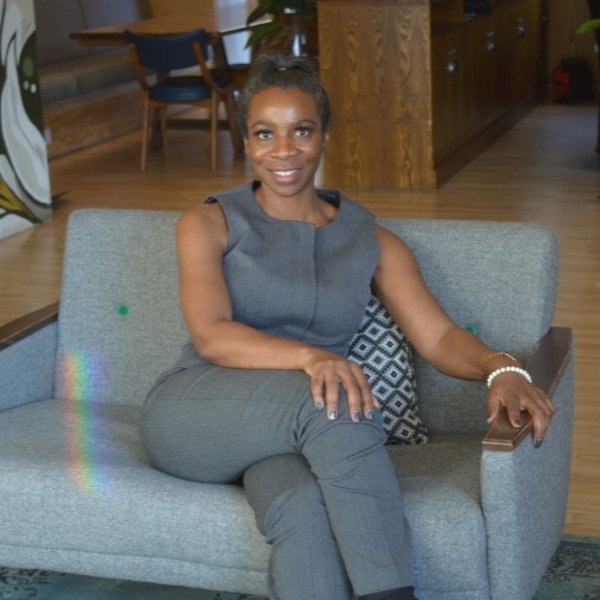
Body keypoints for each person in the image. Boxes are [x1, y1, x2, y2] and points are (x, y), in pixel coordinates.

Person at [140, 54, 555, 600]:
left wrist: (500, 366)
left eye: (301, 131)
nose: (283, 151)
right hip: (196, 411)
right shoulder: (210, 221)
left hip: (296, 428)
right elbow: (212, 335)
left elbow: (439, 337)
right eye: (266, 133)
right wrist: (314, 358)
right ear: (246, 141)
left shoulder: (370, 238)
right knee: (337, 396)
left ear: (325, 138)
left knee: (302, 507)